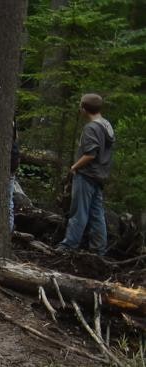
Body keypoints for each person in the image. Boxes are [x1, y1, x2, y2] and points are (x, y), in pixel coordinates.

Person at [58, 93, 115, 256]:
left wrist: (74, 167)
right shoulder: (106, 125)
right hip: (99, 176)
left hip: (87, 175)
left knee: (79, 212)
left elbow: (91, 154)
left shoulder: (91, 127)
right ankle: (98, 250)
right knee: (97, 215)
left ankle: (69, 246)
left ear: (84, 108)